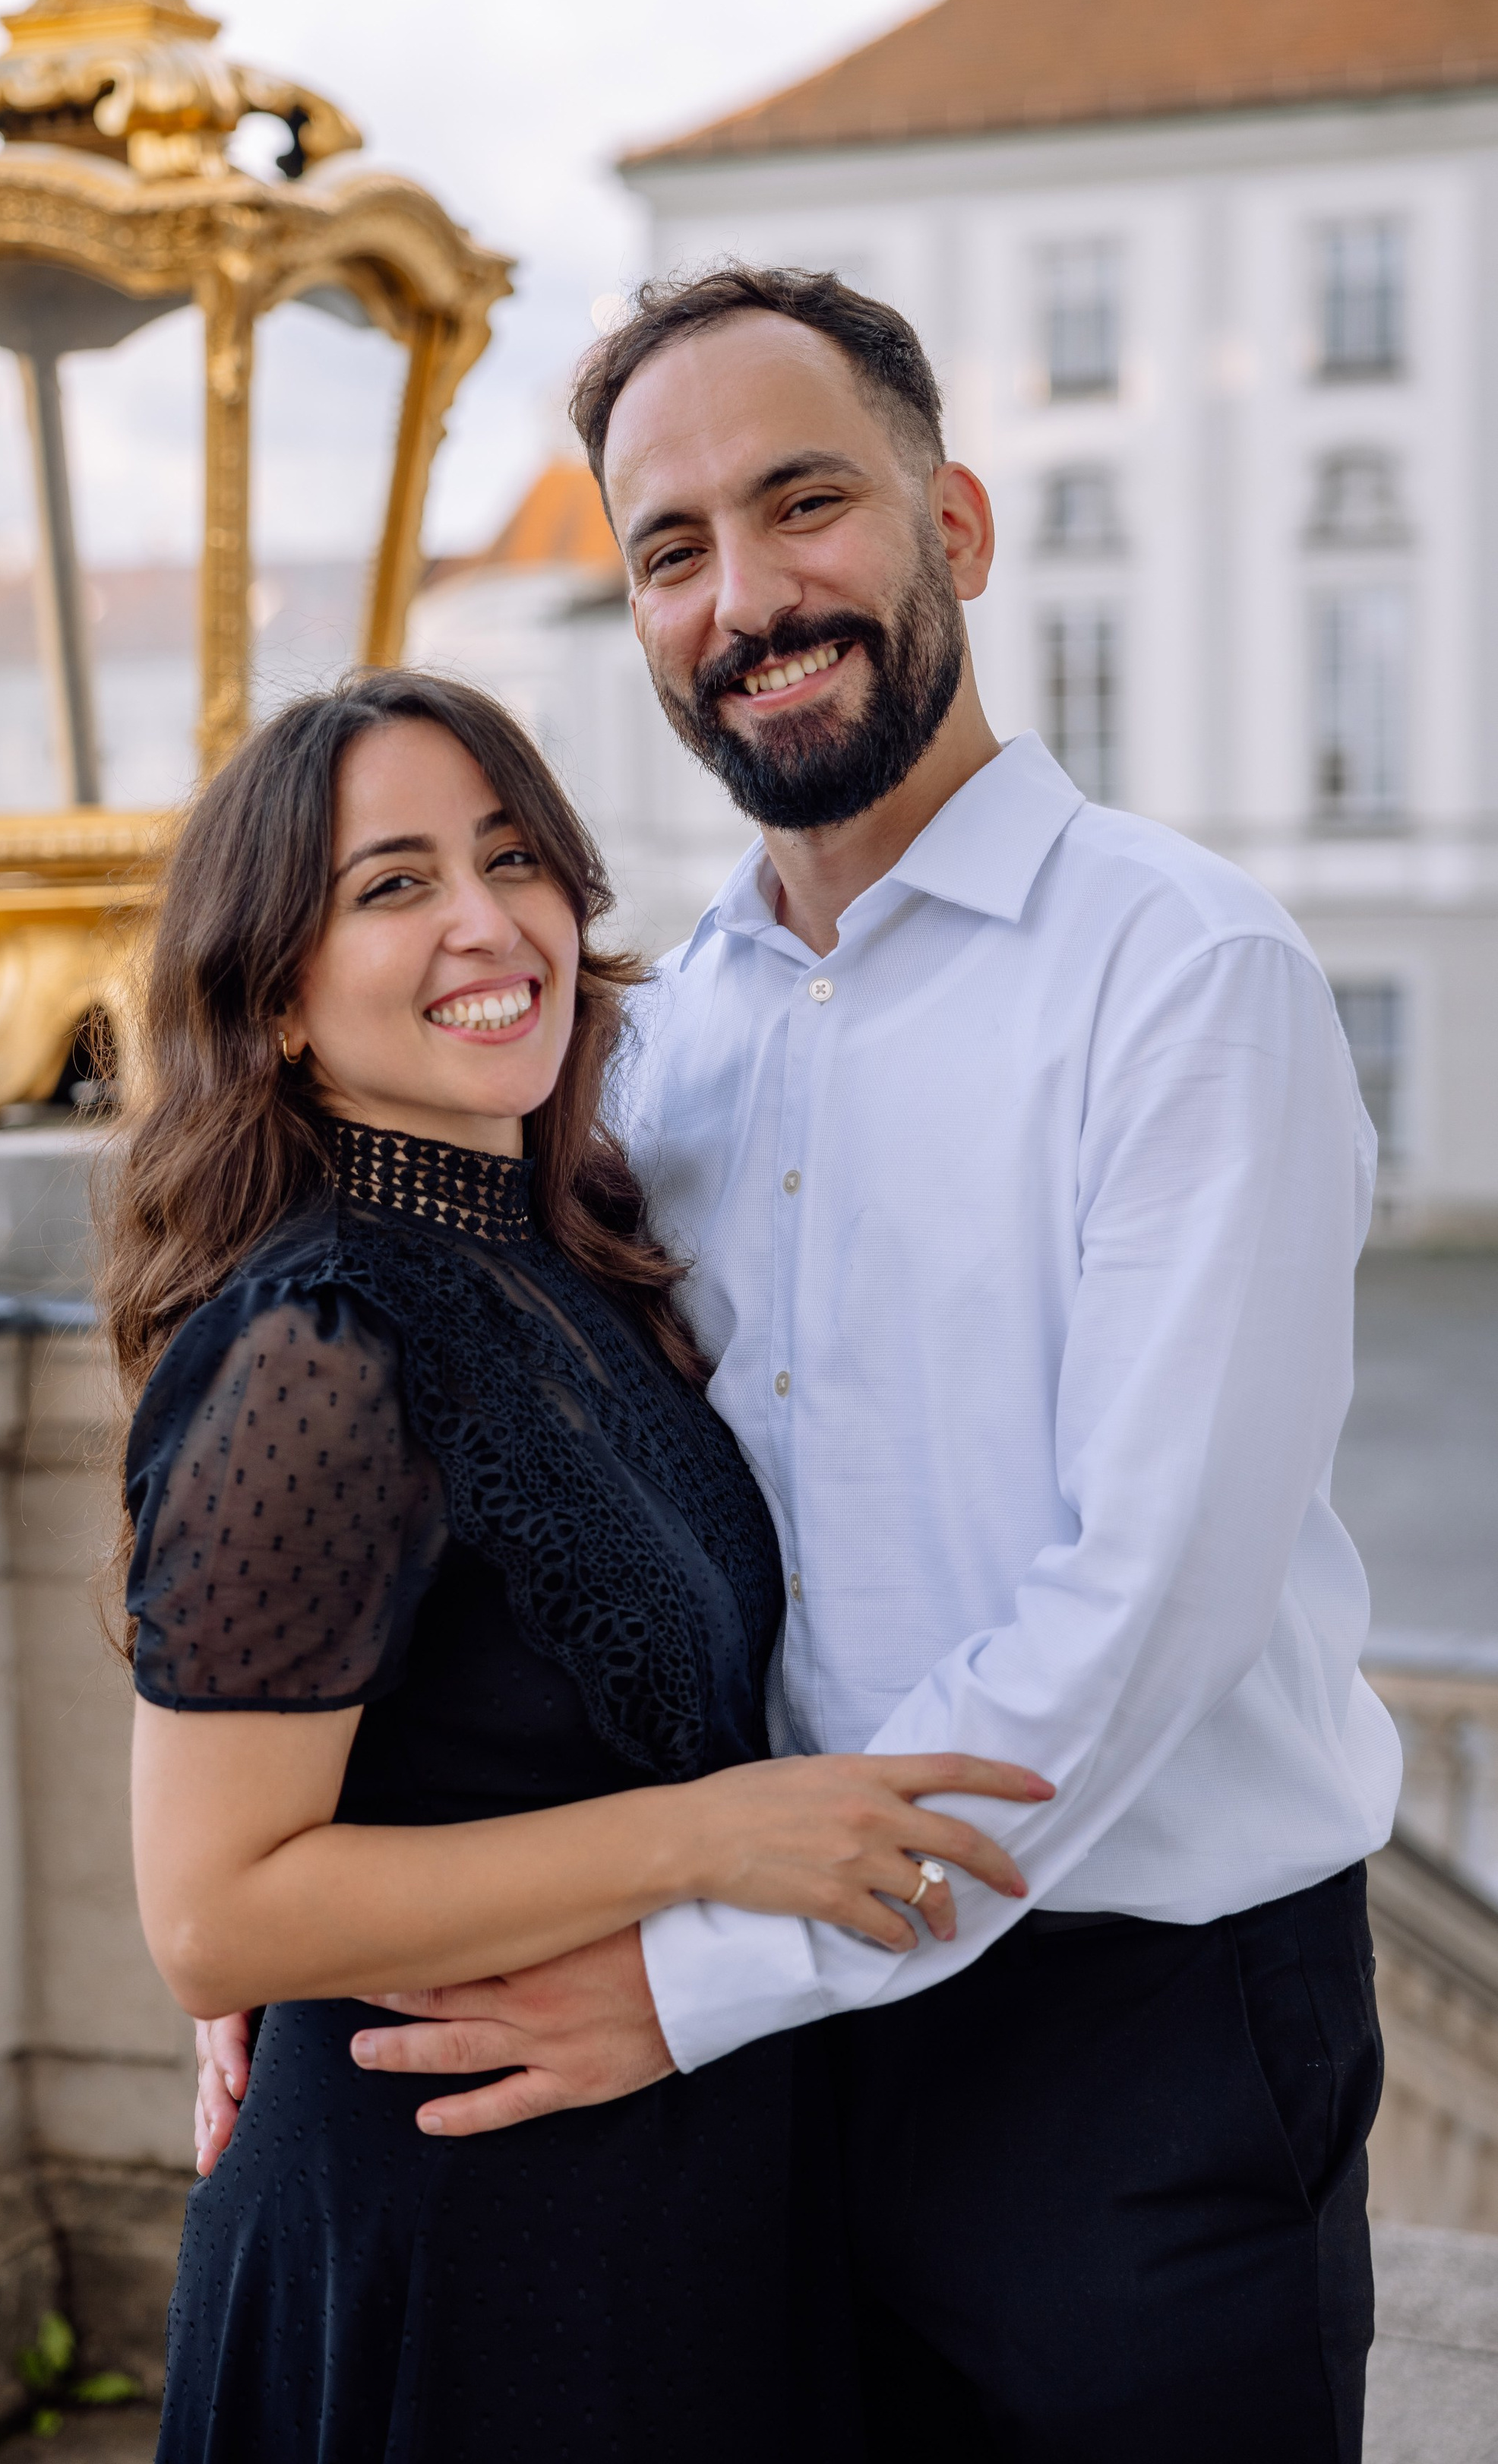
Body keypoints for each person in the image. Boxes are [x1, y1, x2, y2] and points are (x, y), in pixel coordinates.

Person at [198, 269, 1402, 2462]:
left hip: (1108, 2039)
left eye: (804, 502)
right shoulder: (653, 1044)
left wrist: (689, 1977)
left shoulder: (1187, 976)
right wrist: (281, 1935)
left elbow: (1138, 1615)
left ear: (954, 521)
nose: (745, 597)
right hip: (743, 2057)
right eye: (671, 550)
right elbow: (457, 1471)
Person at [106, 663, 1046, 2464]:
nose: (485, 919)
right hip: (449, 2238)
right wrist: (718, 1833)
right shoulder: (316, 1326)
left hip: (656, 2190)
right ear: (277, 998)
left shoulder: (563, 1257)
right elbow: (209, 1911)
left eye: (512, 854)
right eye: (389, 885)